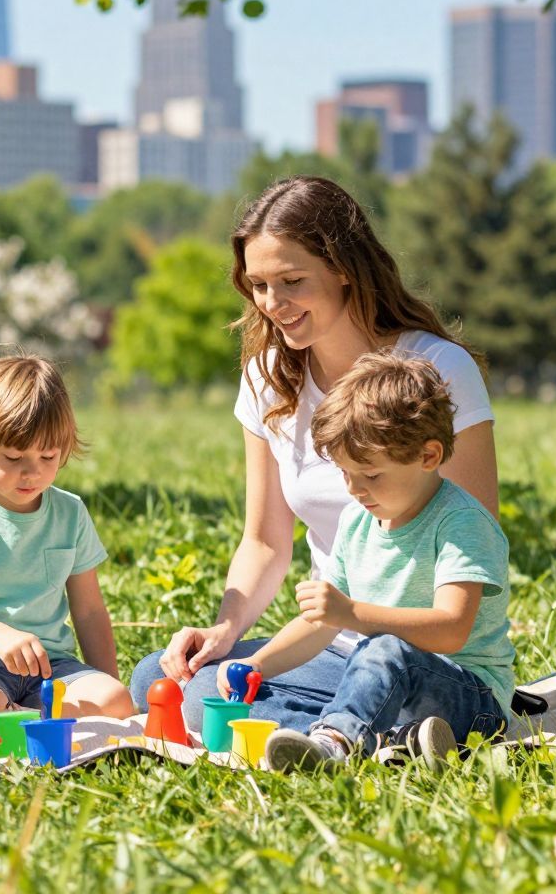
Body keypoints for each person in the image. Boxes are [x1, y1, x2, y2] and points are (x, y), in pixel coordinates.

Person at [129, 176, 499, 726]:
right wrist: (225, 631)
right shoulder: (266, 380)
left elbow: (473, 530)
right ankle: (360, 727)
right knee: (165, 679)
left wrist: (367, 622)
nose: (272, 304)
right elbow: (264, 542)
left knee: (209, 699)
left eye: (292, 281)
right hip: (327, 640)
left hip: (424, 651)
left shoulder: (437, 370)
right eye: (257, 285)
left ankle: (347, 725)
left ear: (344, 269)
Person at [224, 352, 514, 769]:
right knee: (257, 697)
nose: (356, 489)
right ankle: (396, 742)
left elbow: (451, 630)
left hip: (471, 698)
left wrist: (353, 613)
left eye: (371, 475)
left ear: (429, 457)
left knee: (385, 649)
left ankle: (335, 745)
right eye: (344, 473)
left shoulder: (461, 521)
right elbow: (320, 623)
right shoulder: (357, 519)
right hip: (386, 688)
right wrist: (256, 664)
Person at [0, 354, 135, 718]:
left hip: (49, 666)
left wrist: (106, 682)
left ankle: (18, 719)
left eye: (48, 456)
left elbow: (90, 609)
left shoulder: (70, 512)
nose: (32, 473)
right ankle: (20, 718)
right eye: (14, 457)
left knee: (115, 700)